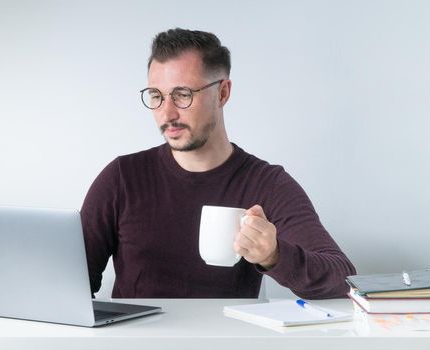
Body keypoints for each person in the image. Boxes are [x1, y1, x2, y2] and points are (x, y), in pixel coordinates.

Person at [81, 28, 356, 299]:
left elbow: (342, 279)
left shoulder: (267, 184)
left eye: (182, 94)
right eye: (157, 96)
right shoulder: (122, 178)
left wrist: (275, 255)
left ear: (222, 93)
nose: (167, 113)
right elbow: (73, 281)